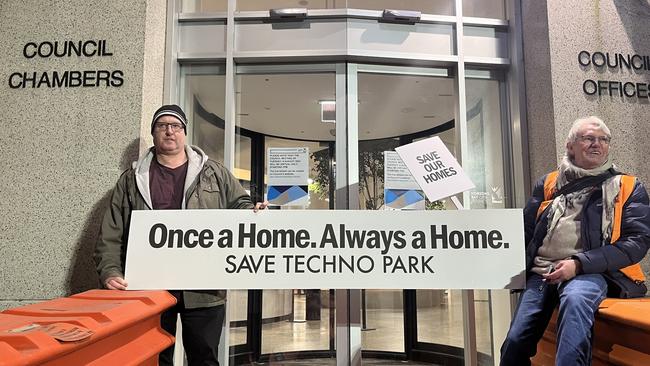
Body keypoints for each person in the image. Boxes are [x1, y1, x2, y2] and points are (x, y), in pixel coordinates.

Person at [94, 104, 267, 366]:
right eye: (162, 125)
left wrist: (253, 211)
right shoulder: (131, 179)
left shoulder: (214, 173)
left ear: (184, 133)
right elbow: (111, 232)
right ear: (153, 133)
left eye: (175, 126)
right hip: (149, 287)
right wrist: (110, 271)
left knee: (204, 357)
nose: (169, 131)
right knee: (154, 358)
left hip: (203, 289)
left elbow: (240, 205)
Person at [500, 116, 650, 366]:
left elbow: (637, 241)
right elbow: (524, 232)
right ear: (570, 146)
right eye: (589, 138)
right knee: (514, 343)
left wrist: (578, 264)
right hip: (542, 272)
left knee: (575, 308)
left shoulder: (628, 185)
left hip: (592, 272)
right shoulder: (548, 183)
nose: (597, 144)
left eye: (603, 140)